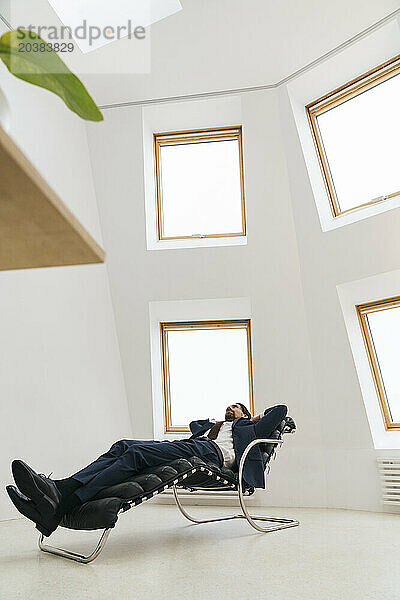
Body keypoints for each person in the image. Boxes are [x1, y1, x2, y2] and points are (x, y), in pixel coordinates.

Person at [6, 403, 289, 537]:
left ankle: (62, 497)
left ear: (246, 413)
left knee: (137, 453)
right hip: (190, 447)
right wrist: (217, 421)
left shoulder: (248, 428)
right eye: (228, 407)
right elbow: (193, 425)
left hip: (210, 455)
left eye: (235, 408)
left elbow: (281, 410)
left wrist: (252, 417)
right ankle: (60, 492)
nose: (230, 409)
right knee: (123, 446)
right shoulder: (213, 427)